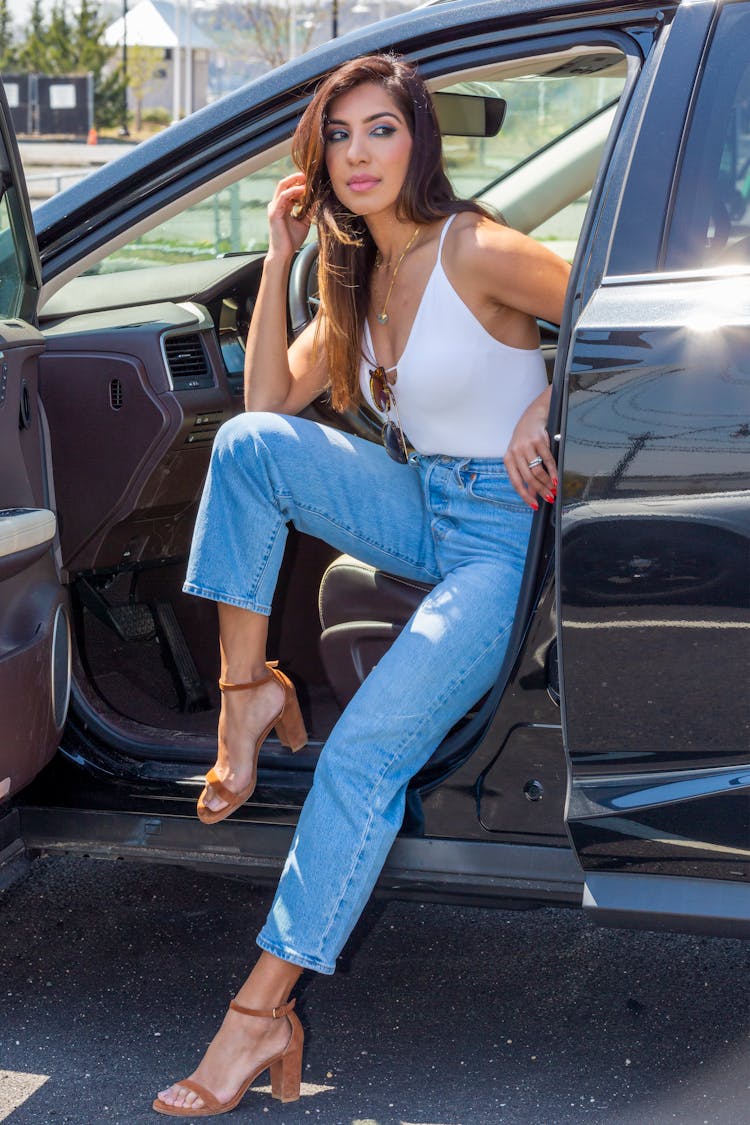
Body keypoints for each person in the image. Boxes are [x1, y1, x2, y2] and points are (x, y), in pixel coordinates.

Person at [153, 53, 570, 1117]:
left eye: (380, 130)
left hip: (495, 542)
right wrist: (280, 255)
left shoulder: (473, 248)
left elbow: (622, 316)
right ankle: (248, 696)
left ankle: (261, 1015)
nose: (359, 154)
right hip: (421, 503)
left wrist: (544, 407)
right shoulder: (358, 278)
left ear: (417, 141)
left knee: (362, 758)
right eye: (339, 137)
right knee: (246, 450)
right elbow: (263, 409)